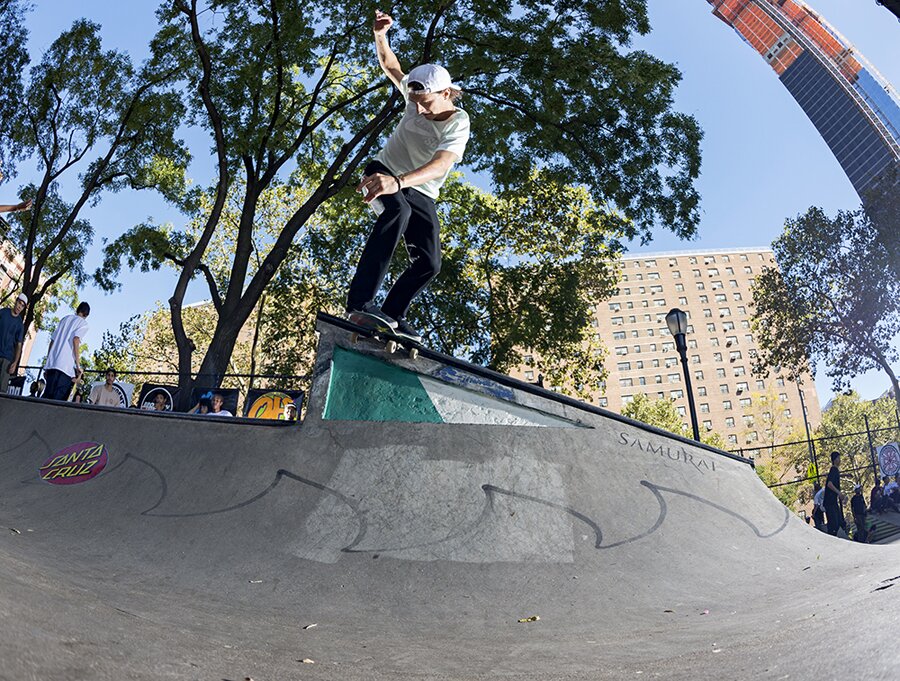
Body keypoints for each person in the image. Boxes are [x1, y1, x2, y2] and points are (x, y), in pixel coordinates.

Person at [344, 9, 470, 343]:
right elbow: (390, 66)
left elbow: (443, 164)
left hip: (419, 189)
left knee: (429, 262)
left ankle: (392, 315)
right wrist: (380, 35)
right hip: (381, 171)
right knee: (396, 211)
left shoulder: (459, 123)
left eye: (424, 102)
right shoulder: (413, 96)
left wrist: (400, 182)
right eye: (413, 101)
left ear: (446, 93)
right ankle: (359, 302)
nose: (417, 109)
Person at [43, 302, 90, 401]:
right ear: (86, 315)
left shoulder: (64, 319)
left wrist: (48, 362)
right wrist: (78, 365)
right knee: (57, 401)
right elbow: (76, 340)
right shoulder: (83, 324)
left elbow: (52, 341)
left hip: (53, 364)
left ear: (77, 310)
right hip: (65, 368)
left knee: (46, 398)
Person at [0, 293, 27, 393]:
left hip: (7, 358)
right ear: (16, 302)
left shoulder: (20, 324)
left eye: (22, 306)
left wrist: (15, 362)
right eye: (19, 303)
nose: (20, 307)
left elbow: (19, 345)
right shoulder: (3, 312)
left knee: (2, 388)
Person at [823, 451, 847, 537]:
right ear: (835, 460)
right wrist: (839, 493)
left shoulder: (835, 470)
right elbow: (829, 484)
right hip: (829, 502)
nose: (840, 460)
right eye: (838, 458)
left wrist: (846, 475)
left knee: (839, 521)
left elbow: (836, 476)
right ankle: (830, 538)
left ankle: (834, 534)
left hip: (832, 502)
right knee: (834, 524)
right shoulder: (834, 469)